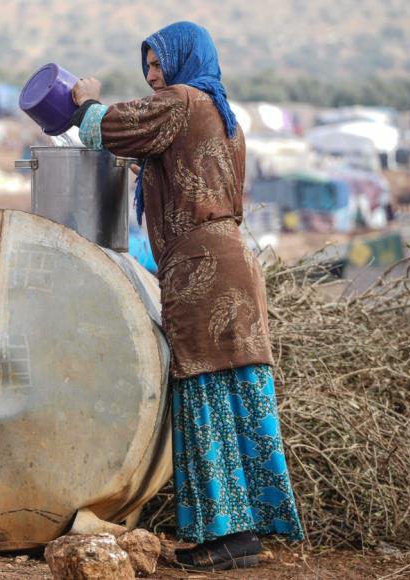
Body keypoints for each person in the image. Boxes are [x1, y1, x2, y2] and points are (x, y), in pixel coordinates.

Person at [70, 21, 304, 571]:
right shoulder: (224, 116)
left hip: (201, 268)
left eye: (158, 64)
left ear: (183, 61)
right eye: (147, 66)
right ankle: (247, 531)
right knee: (239, 386)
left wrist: (87, 101)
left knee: (205, 390)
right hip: (232, 260)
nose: (153, 76)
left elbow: (102, 130)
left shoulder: (181, 102)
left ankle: (226, 535)